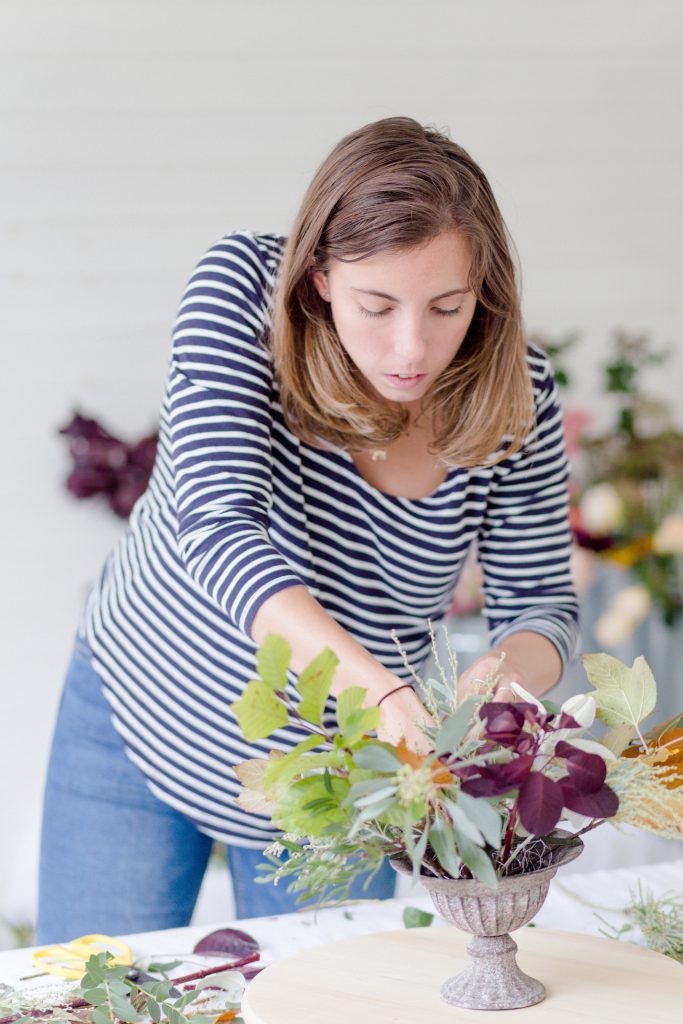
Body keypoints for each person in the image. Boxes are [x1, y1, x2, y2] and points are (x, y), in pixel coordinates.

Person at [37, 116, 579, 942]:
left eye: (447, 306)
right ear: (320, 275)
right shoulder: (243, 293)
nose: (410, 348)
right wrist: (381, 691)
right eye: (376, 305)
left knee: (325, 993)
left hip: (340, 774)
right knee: (89, 986)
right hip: (143, 713)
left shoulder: (517, 392)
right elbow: (217, 525)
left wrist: (497, 681)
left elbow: (540, 600)